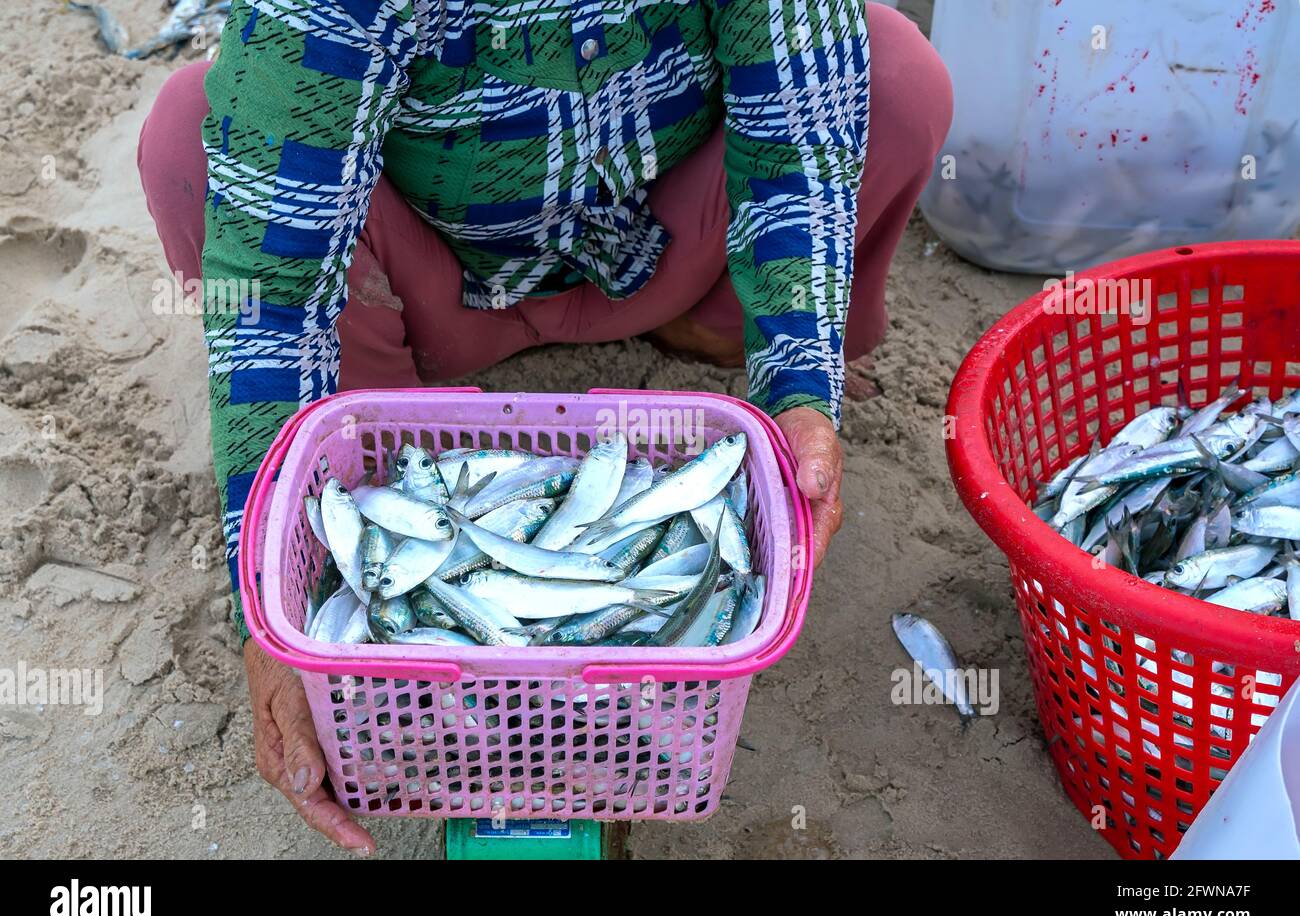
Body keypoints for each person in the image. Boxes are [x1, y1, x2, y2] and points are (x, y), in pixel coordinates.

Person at [138, 0, 952, 855]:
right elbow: (272, 287)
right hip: (442, 283)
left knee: (894, 76)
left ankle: (711, 324)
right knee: (191, 138)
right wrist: (262, 611)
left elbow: (798, 116)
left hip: (665, 242)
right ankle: (382, 403)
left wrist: (800, 385)